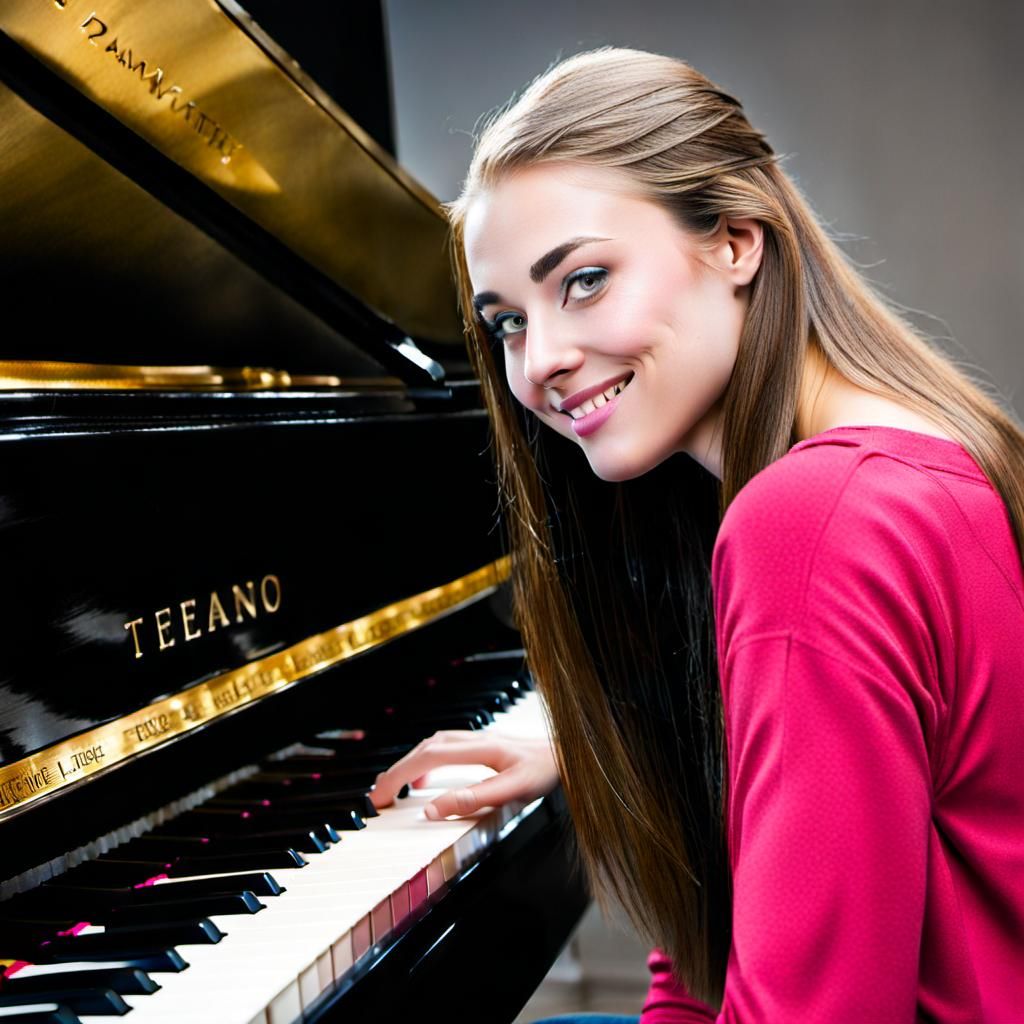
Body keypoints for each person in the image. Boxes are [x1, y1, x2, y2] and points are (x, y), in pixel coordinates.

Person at [371, 48, 1024, 1022]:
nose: (540, 359)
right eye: (504, 321)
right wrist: (603, 753)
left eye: (584, 280)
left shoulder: (810, 521)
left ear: (733, 242)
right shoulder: (920, 443)